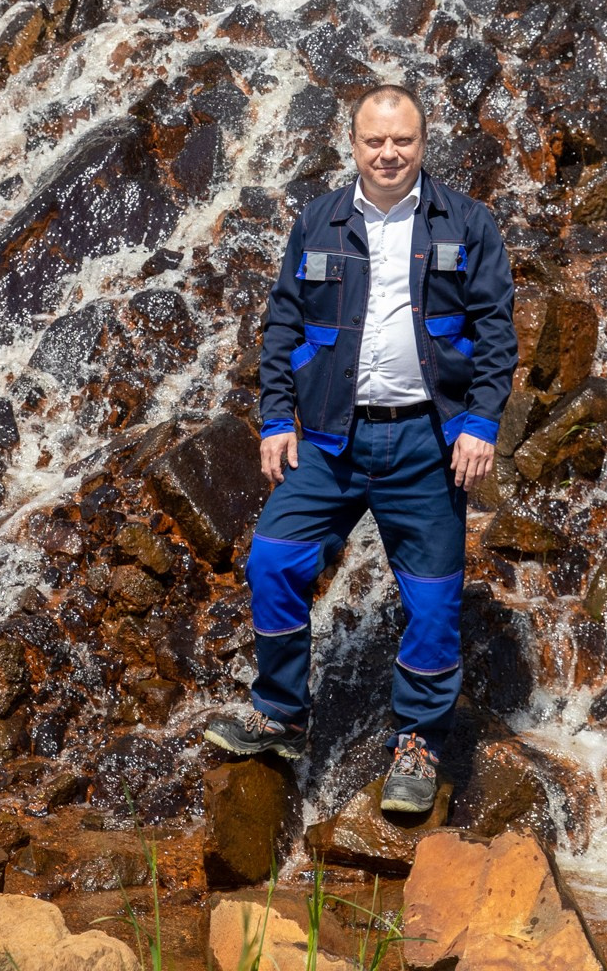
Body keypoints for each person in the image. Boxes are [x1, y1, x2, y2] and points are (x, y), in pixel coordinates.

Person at [205, 81, 517, 814]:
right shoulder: (318, 220)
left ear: (423, 143)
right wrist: (276, 418)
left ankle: (418, 742)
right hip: (328, 437)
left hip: (425, 440)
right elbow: (283, 324)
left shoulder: (466, 222)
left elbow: (496, 331)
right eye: (374, 141)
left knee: (433, 601)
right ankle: (280, 713)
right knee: (273, 560)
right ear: (352, 145)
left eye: (402, 140)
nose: (388, 153)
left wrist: (481, 424)